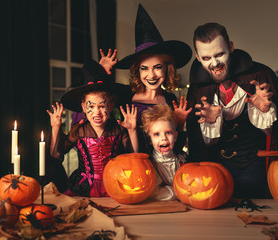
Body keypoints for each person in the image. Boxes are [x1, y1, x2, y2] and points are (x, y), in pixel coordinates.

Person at [186, 23, 278, 198]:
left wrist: (265, 110)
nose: (215, 63)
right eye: (206, 58)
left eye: (220, 54)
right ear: (197, 57)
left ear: (231, 47)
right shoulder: (198, 89)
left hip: (255, 169)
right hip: (214, 174)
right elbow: (198, 144)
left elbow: (276, 135)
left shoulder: (260, 76)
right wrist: (210, 122)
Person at [101, 4, 192, 155]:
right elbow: (96, 101)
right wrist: (102, 73)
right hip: (131, 168)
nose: (151, 75)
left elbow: (175, 149)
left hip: (163, 170)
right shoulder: (124, 95)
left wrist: (180, 125)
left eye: (157, 67)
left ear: (166, 68)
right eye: (144, 68)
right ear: (137, 71)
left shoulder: (170, 100)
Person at [47, 60, 138, 197]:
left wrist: (132, 131)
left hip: (115, 185)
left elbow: (135, 157)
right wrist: (55, 128)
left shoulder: (119, 129)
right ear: (83, 107)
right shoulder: (79, 130)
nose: (97, 112)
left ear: (111, 105)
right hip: (84, 187)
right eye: (91, 107)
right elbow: (56, 154)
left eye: (102, 106)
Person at [141, 104, 188, 201]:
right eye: (157, 134)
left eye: (168, 133)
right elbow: (154, 192)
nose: (163, 138)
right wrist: (181, 193)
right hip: (161, 208)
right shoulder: (151, 164)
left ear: (175, 136)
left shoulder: (183, 158)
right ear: (150, 140)